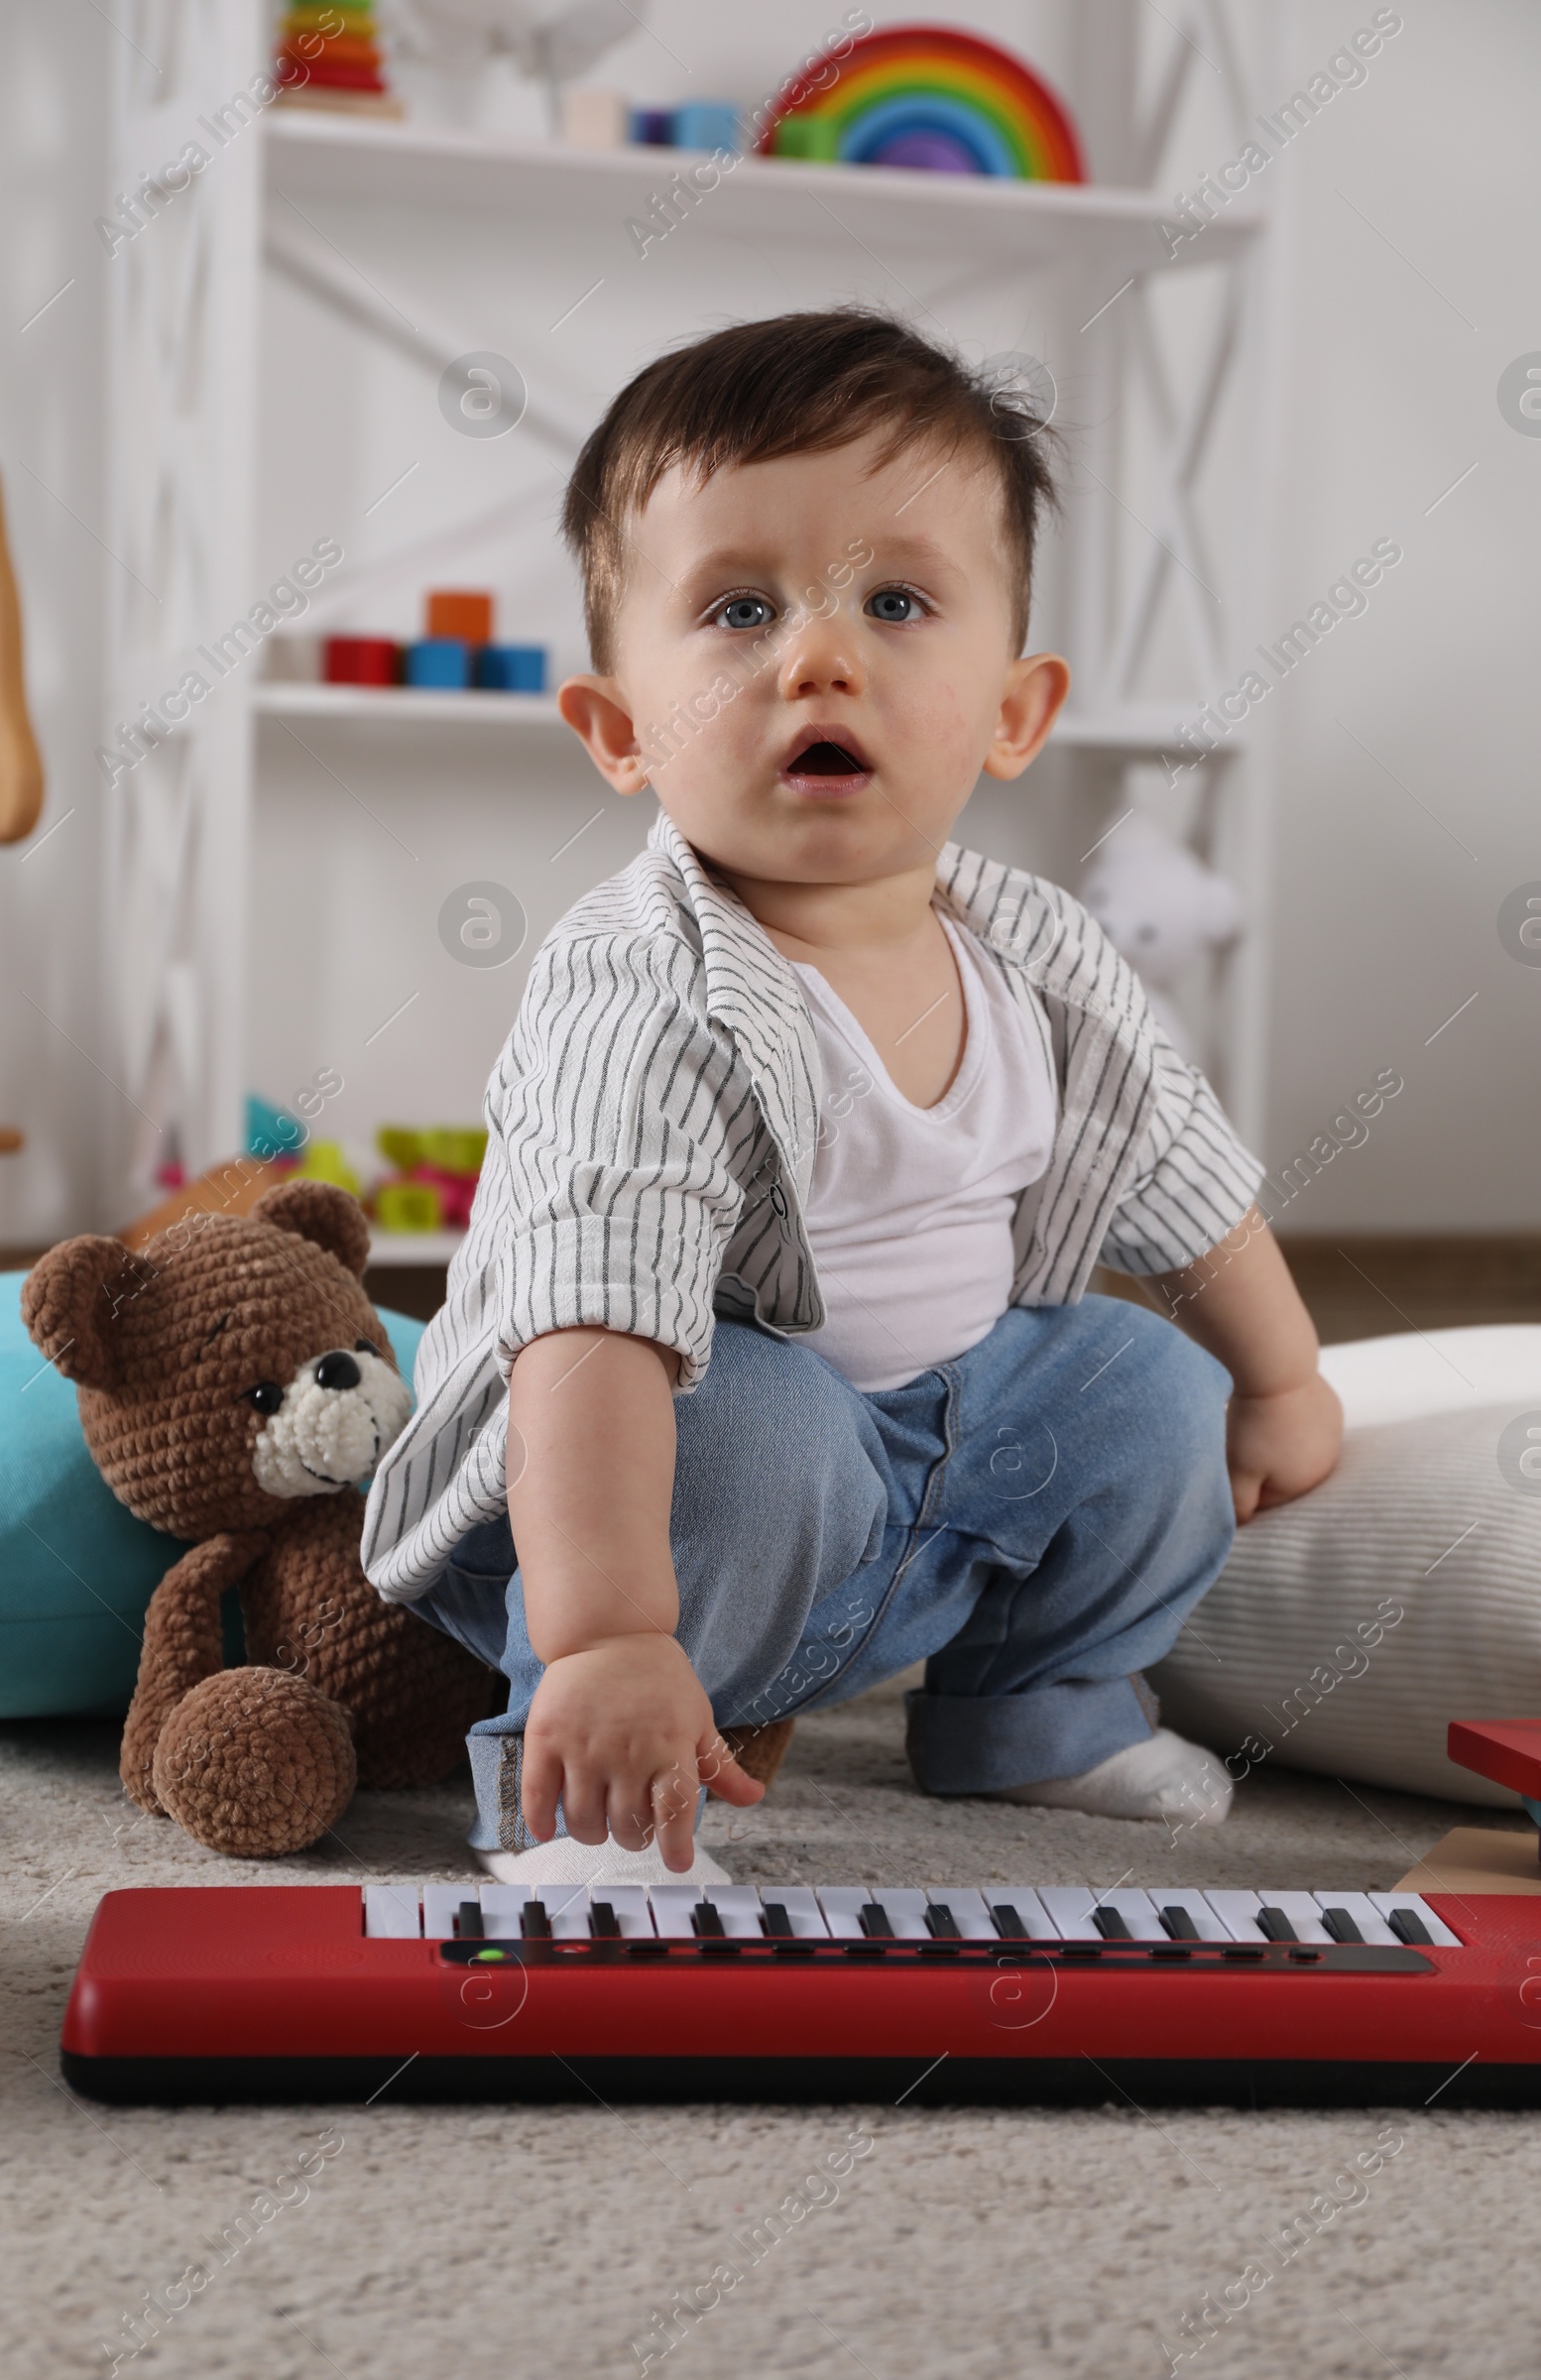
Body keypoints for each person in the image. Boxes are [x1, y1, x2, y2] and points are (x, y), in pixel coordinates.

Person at [362, 308, 1343, 1885]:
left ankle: (1039, 1709)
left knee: (1150, 1391)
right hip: (625, 1502)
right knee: (755, 1425)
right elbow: (588, 1324)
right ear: (621, 733)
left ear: (1014, 714)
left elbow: (1179, 1173)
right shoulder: (642, 982)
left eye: (895, 601)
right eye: (740, 609)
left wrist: (1283, 1383)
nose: (819, 655)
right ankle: (590, 1768)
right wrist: (605, 1628)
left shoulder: (1041, 954)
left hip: (939, 1472)